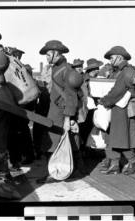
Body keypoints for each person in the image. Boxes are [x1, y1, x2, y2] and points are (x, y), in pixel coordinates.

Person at [36, 40, 85, 183]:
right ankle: (68, 170)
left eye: (48, 54)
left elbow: (71, 97)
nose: (46, 57)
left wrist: (68, 118)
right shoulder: (57, 68)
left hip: (62, 112)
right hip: (55, 109)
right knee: (58, 140)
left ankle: (57, 171)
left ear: (56, 54)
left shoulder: (67, 70)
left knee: (57, 140)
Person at [99, 46, 135, 175]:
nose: (110, 60)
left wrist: (104, 100)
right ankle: (115, 165)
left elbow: (118, 91)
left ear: (119, 57)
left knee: (122, 138)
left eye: (112, 58)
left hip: (121, 109)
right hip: (117, 108)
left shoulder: (126, 72)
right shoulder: (122, 71)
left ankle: (133, 162)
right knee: (115, 137)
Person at [0, 47, 21, 200]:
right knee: (1, 142)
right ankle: (3, 178)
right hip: (4, 98)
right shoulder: (1, 56)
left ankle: (1, 181)